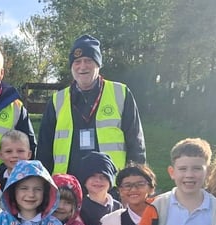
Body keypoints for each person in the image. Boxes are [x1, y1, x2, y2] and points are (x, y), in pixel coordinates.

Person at [37, 34, 146, 177]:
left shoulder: (121, 93)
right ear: (71, 66)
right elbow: (44, 149)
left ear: (98, 64)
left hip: (110, 186)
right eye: (77, 61)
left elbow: (136, 144)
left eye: (88, 60)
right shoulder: (57, 100)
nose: (82, 66)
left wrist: (134, 180)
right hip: (67, 188)